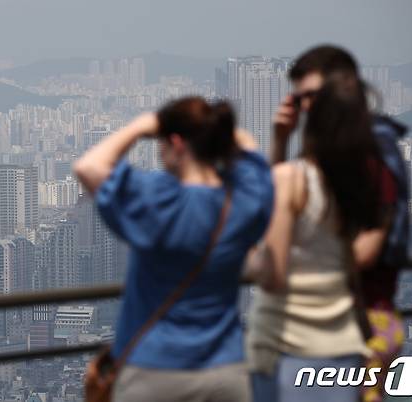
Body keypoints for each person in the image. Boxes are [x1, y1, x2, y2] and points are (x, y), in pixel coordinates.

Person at [74, 97, 273, 402]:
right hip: (226, 371)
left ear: (176, 144)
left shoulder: (157, 200)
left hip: (154, 370)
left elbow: (88, 167)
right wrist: (216, 132)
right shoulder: (242, 201)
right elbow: (252, 153)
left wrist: (142, 125)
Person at [245, 72, 397, 402]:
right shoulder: (364, 184)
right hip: (343, 347)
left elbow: (273, 275)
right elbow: (359, 256)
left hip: (286, 349)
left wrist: (246, 253)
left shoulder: (292, 179)